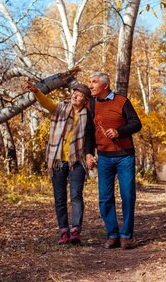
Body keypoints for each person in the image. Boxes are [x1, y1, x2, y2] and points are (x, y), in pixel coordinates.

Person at [25, 80, 95, 245]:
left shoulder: (88, 116)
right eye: (74, 93)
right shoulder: (61, 109)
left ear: (85, 100)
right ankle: (64, 231)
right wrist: (36, 91)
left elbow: (91, 138)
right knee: (60, 197)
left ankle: (76, 230)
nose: (75, 96)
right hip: (57, 160)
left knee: (76, 196)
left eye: (79, 95)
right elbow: (47, 103)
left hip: (77, 161)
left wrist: (90, 155)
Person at [86, 72, 142, 249]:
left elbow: (136, 123)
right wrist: (88, 153)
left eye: (93, 82)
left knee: (127, 195)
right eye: (90, 83)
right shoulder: (91, 104)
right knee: (104, 198)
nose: (90, 86)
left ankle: (126, 236)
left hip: (125, 156)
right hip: (103, 157)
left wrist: (119, 132)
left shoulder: (122, 101)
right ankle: (112, 235)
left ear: (105, 85)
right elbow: (89, 131)